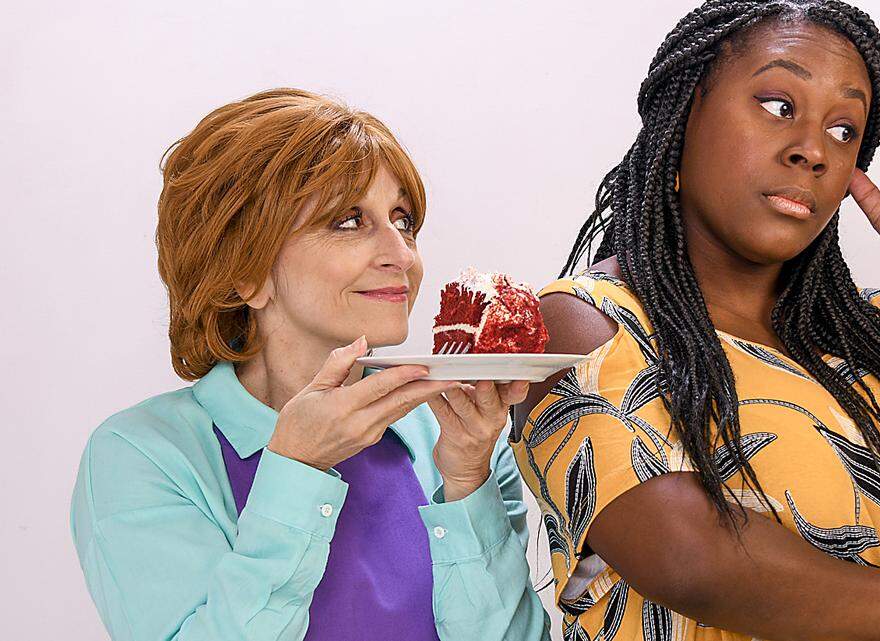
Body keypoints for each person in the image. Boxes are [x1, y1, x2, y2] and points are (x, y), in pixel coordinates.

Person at [511, 2, 880, 640]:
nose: (813, 150)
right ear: (685, 113)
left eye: (844, 131)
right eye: (780, 105)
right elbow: (694, 558)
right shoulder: (584, 328)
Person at [70, 88, 550, 641]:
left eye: (403, 219)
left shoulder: (451, 434)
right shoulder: (142, 456)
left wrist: (468, 481)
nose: (402, 254)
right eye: (349, 220)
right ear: (242, 274)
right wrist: (296, 471)